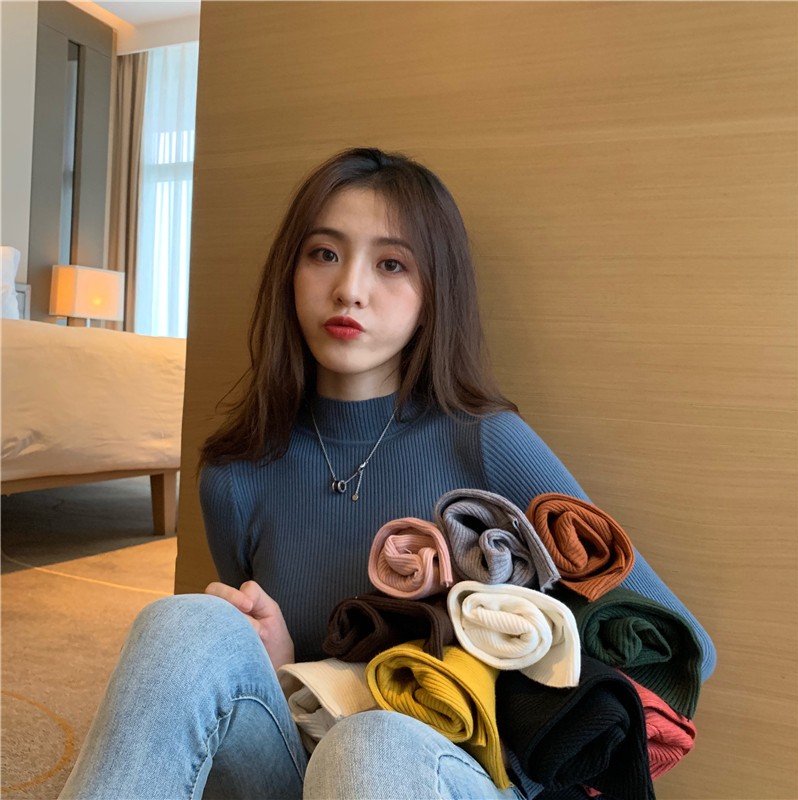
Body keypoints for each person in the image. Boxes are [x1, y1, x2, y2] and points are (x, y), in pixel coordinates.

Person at [58, 147, 716, 800]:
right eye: (324, 253)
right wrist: (280, 659)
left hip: (445, 774)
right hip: (302, 765)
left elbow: (686, 650)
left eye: (391, 264)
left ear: (433, 295)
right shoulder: (236, 474)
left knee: (370, 742)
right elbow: (286, 703)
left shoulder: (487, 443)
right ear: (291, 273)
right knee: (186, 625)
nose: (349, 288)